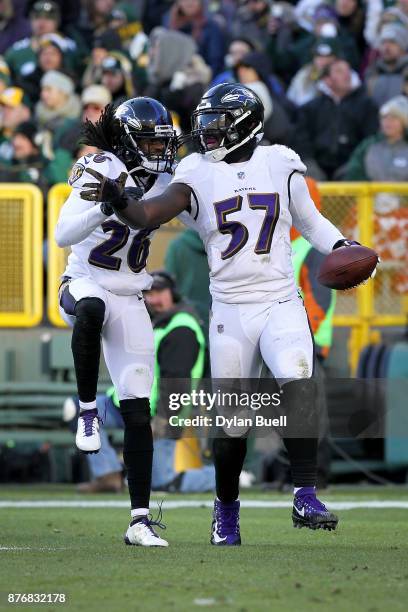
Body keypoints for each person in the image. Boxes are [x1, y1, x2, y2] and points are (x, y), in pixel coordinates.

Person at [81, 82, 378, 545]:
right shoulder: (197, 170)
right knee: (234, 423)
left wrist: (341, 245)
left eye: (217, 125)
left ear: (245, 125)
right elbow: (149, 214)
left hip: (279, 299)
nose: (207, 134)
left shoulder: (280, 162)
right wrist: (120, 201)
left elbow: (311, 222)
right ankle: (226, 512)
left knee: (299, 381)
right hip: (231, 309)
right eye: (205, 125)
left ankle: (304, 493)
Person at [54, 97, 179, 547]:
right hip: (85, 281)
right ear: (127, 141)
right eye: (148, 139)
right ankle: (88, 411)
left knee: (137, 407)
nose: (157, 148)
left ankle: (140, 521)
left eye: (160, 139)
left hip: (130, 292)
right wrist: (106, 206)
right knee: (91, 309)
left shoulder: (166, 177)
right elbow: (62, 235)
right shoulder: (101, 166)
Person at [65, 270, 214, 495]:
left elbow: (177, 381)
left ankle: (227, 473)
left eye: (159, 292)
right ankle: (108, 476)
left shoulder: (182, 326)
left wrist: (163, 421)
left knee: (161, 483)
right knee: (77, 408)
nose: (153, 299)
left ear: (172, 293)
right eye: (148, 294)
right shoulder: (153, 321)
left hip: (160, 413)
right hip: (127, 403)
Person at [293, 58, 378, 179]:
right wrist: (309, 163)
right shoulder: (310, 108)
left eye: (348, 70)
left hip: (351, 164)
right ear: (327, 80)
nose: (347, 75)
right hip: (316, 166)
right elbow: (301, 139)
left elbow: (370, 139)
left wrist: (354, 163)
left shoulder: (367, 105)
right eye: (339, 71)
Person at [345, 95, 408, 181]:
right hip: (369, 194)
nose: (388, 122)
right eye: (384, 118)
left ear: (404, 123)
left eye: (394, 118)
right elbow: (354, 174)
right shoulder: (368, 146)